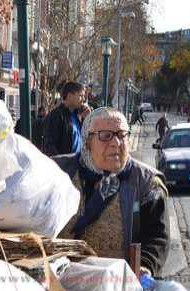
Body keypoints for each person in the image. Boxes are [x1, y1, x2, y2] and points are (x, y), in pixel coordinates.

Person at [52, 107, 169, 277]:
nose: (116, 143)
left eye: (122, 135)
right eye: (105, 136)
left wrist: (145, 265)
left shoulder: (147, 184)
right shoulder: (57, 171)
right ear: (87, 142)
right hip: (59, 281)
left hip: (118, 286)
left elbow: (157, 237)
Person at [42, 82, 91, 157]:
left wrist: (87, 119)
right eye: (81, 96)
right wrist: (60, 164)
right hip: (65, 165)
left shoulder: (78, 116)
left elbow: (86, 139)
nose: (83, 99)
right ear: (70, 96)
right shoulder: (56, 116)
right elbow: (49, 145)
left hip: (78, 163)